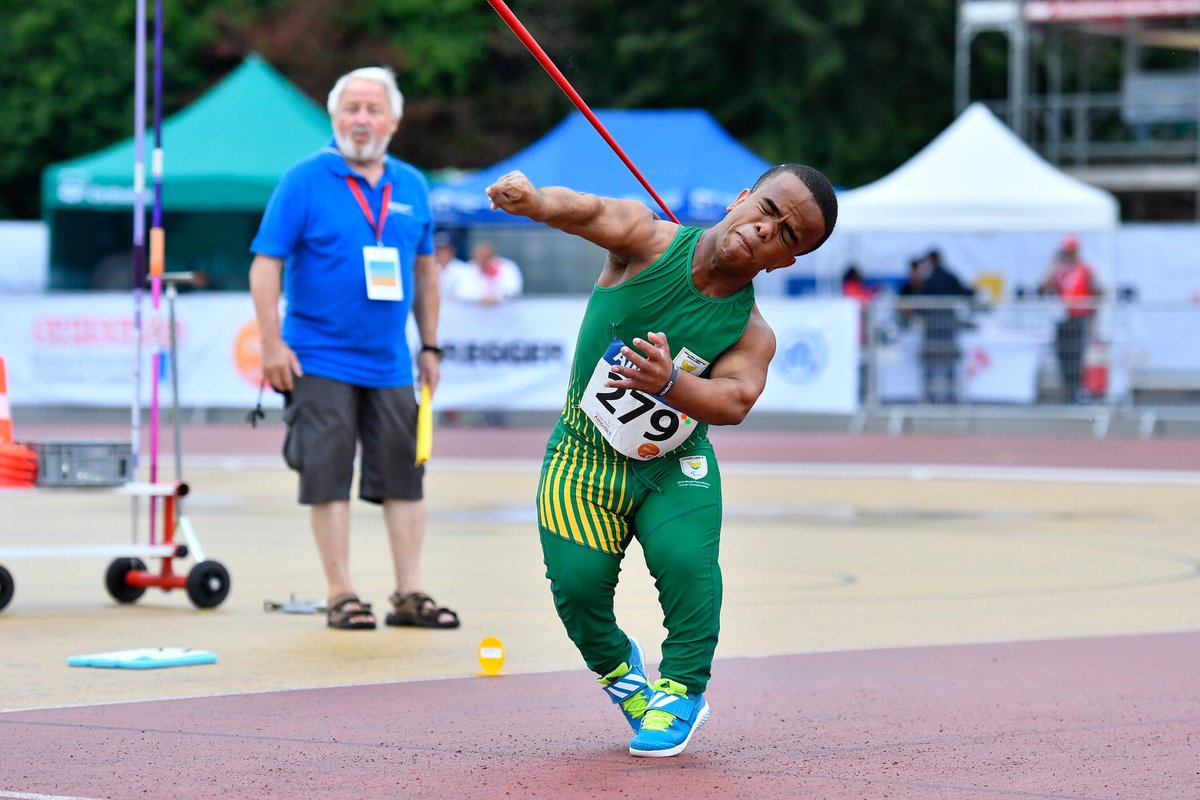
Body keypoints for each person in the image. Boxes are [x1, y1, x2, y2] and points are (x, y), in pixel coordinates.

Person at [485, 164, 837, 758]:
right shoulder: (647, 240)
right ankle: (622, 672)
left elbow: (735, 400)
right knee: (577, 586)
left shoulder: (752, 332)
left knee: (687, 567)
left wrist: (669, 381)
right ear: (743, 197)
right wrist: (535, 200)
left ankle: (680, 690)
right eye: (768, 210)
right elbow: (589, 210)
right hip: (582, 454)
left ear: (784, 262)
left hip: (675, 467)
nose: (764, 231)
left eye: (785, 236)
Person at [248, 66, 459, 631]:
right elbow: (265, 264)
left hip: (391, 361)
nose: (360, 119)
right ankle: (342, 594)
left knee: (405, 474)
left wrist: (431, 346)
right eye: (350, 108)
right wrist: (271, 342)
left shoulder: (411, 185)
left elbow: (424, 273)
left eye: (372, 108)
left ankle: (410, 593)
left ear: (393, 120)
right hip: (316, 357)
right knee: (327, 471)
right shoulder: (304, 178)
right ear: (334, 117)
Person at [1039, 235, 1101, 403]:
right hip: (1062, 318)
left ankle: (1076, 391)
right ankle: (1068, 390)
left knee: (1076, 355)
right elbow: (1043, 289)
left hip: (1079, 317)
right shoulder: (1060, 271)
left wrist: (1093, 320)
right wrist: (1053, 267)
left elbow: (1096, 292)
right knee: (1062, 354)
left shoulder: (1085, 270)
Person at [913, 249, 974, 404]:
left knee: (931, 362)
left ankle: (929, 395)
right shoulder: (950, 277)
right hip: (948, 327)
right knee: (949, 362)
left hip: (933, 328)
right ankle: (950, 395)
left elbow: (920, 304)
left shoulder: (930, 280)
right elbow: (965, 292)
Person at [440, 239, 524, 305]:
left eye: (485, 258)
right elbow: (460, 292)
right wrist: (479, 298)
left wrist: (497, 297)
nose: (482, 262)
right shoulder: (469, 269)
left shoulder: (507, 268)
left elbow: (514, 290)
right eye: (479, 258)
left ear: (492, 256)